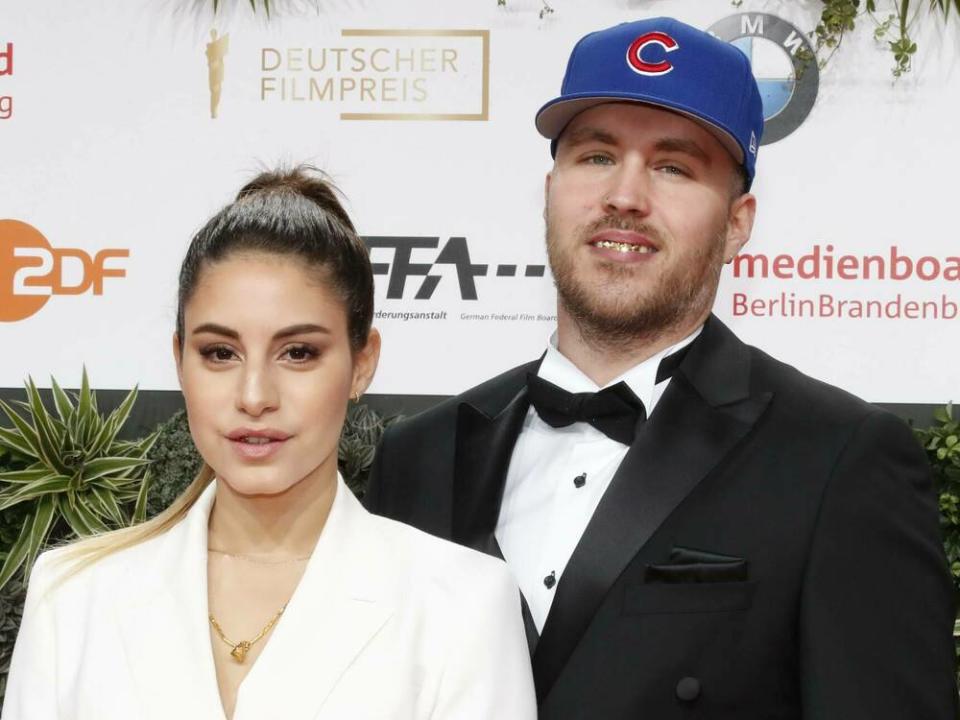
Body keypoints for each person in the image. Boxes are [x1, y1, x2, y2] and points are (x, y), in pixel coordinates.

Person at [365, 17, 958, 719]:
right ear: (550, 187)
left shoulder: (839, 461)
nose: (625, 196)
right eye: (595, 156)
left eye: (673, 167)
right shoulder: (417, 457)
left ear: (738, 222)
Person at [3, 167, 537, 720]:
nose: (254, 396)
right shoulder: (72, 596)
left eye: (298, 352)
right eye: (219, 353)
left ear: (362, 363)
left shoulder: (462, 606)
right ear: (178, 360)